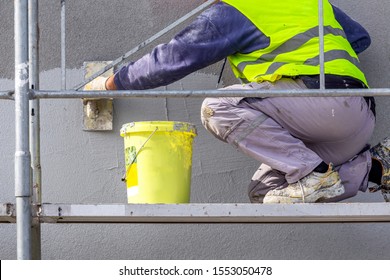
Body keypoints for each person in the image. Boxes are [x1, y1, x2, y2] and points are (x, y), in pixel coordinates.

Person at [86, 0, 389, 203]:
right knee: (267, 194)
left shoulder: (237, 9)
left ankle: (312, 172)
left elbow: (173, 58)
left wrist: (109, 83)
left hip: (320, 104)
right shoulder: (312, 3)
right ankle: (373, 167)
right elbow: (359, 37)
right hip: (358, 117)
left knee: (217, 106)